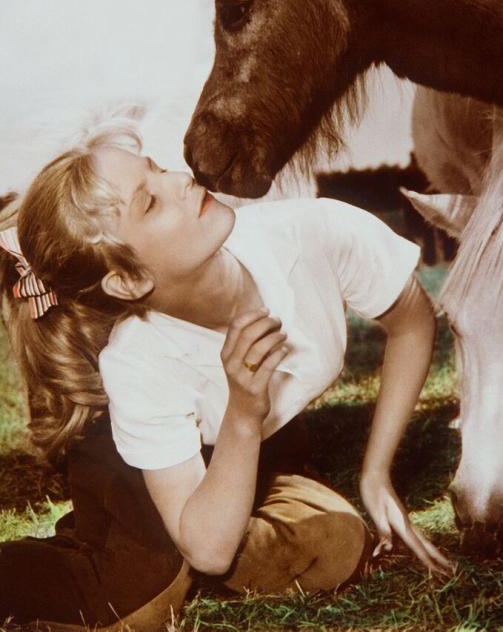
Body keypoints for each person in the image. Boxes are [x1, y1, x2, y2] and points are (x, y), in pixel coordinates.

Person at [0, 122, 451, 630]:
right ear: (130, 279)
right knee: (137, 599)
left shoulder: (314, 233)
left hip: (247, 439)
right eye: (149, 202)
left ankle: (222, 509)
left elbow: (411, 318)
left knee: (338, 543)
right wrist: (241, 411)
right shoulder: (136, 362)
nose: (181, 180)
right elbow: (211, 551)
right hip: (130, 453)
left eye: (159, 169)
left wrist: (375, 471)